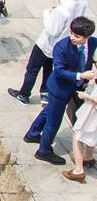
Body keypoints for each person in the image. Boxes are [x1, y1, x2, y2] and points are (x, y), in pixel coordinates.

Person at [24, 15, 96, 163]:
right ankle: (44, 150)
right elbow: (59, 71)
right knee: (54, 121)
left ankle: (32, 133)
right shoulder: (62, 46)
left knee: (49, 110)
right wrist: (81, 75)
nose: (72, 37)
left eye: (77, 36)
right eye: (71, 33)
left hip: (77, 86)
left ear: (87, 37)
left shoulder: (93, 42)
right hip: (59, 88)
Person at [9, 0, 89, 104]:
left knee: (32, 69)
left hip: (46, 44)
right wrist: (60, 0)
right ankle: (45, 93)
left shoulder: (62, 10)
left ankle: (24, 94)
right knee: (48, 69)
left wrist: (48, 13)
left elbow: (52, 30)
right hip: (62, 44)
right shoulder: (82, 3)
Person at [63, 73, 97, 180]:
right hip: (92, 109)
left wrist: (86, 96)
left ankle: (78, 170)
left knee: (77, 134)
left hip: (92, 110)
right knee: (92, 133)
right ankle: (88, 157)